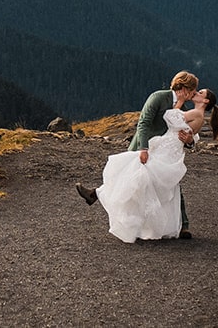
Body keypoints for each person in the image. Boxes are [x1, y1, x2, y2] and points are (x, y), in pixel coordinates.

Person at [76, 71, 203, 239]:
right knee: (132, 181)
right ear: (185, 88)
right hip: (146, 147)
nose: (194, 93)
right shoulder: (158, 97)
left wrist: (189, 141)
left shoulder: (183, 108)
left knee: (170, 184)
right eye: (193, 89)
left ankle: (181, 226)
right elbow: (143, 123)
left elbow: (186, 134)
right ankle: (105, 200)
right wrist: (143, 148)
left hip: (163, 151)